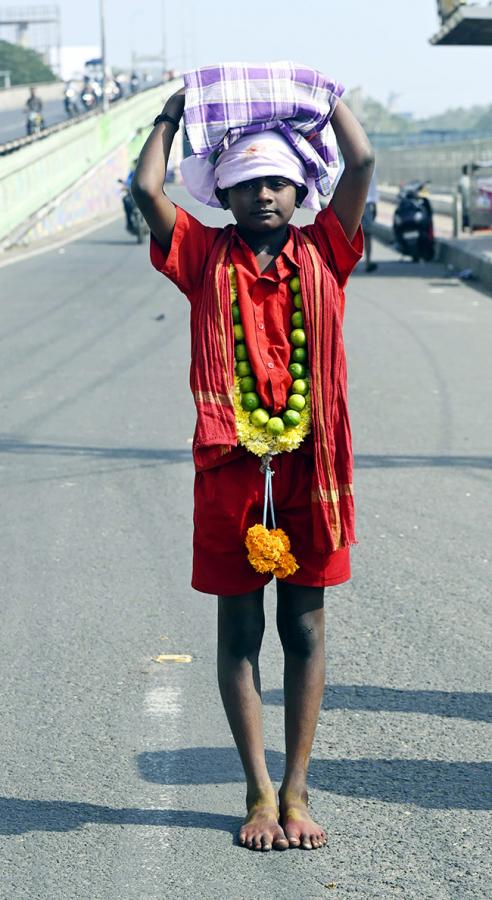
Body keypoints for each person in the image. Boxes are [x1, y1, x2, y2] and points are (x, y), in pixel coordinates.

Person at [132, 73, 374, 853]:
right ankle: (257, 789)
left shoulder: (325, 249)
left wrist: (323, 94)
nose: (263, 195)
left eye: (277, 182)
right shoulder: (204, 257)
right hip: (231, 475)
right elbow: (146, 186)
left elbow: (361, 160)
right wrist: (173, 114)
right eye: (245, 184)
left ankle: (298, 788)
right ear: (225, 198)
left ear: (301, 189)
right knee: (239, 632)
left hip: (313, 471)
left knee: (304, 627)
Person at [361, 171, 378, 272]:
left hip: (366, 203)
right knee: (353, 236)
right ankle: (353, 264)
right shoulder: (349, 163)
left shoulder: (370, 167)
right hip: (356, 203)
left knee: (367, 234)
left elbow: (373, 187)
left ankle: (367, 261)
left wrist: (374, 204)